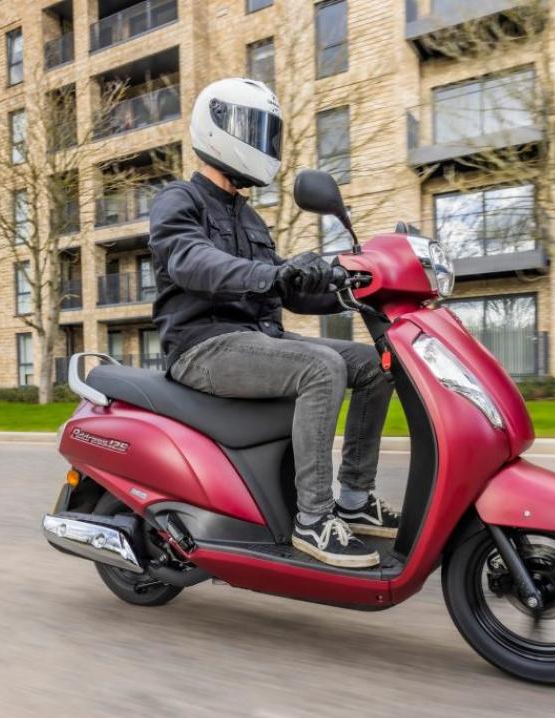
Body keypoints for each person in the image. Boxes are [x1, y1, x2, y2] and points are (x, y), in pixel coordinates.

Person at [148, 78, 397, 569]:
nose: (262, 142)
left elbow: (287, 288)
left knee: (376, 364)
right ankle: (314, 518)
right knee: (321, 366)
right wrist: (274, 274)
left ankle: (354, 497)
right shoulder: (179, 200)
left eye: (266, 132)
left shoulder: (251, 220)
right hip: (203, 346)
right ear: (216, 127)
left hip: (258, 340)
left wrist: (349, 289)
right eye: (251, 128)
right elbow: (193, 262)